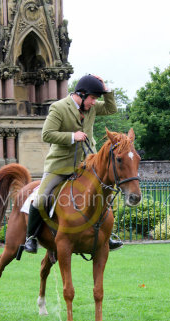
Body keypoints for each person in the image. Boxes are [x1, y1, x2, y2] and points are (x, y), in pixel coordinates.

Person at [24, 74, 123, 253]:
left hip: (86, 164)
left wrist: (105, 89)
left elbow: (111, 109)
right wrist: (72, 136)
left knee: (103, 195)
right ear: (82, 94)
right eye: (93, 98)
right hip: (60, 165)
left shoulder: (91, 107)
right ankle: (30, 237)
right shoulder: (59, 107)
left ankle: (107, 236)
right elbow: (46, 134)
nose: (94, 102)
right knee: (41, 198)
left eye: (96, 99)